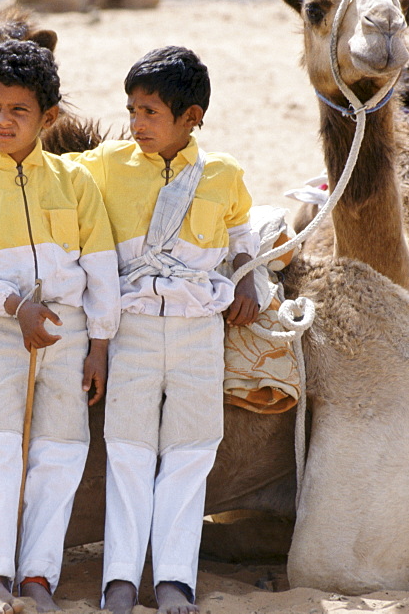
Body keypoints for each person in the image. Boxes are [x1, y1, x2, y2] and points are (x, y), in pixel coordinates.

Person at [70, 46, 260, 614]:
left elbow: (243, 228)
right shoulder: (104, 164)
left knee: (190, 452)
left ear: (191, 117)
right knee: (126, 450)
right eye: (131, 110)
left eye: (150, 112)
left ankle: (176, 579)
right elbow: (50, 178)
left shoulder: (223, 173)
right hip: (130, 327)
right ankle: (120, 581)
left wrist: (248, 278)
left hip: (199, 331)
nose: (136, 124)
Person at [0, 40, 120, 614]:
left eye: (18, 111)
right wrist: (14, 307)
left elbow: (100, 269)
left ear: (48, 118)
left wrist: (98, 345)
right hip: (0, 332)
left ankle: (39, 578)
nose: (3, 121)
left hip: (67, 335)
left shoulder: (76, 183)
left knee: (61, 454)